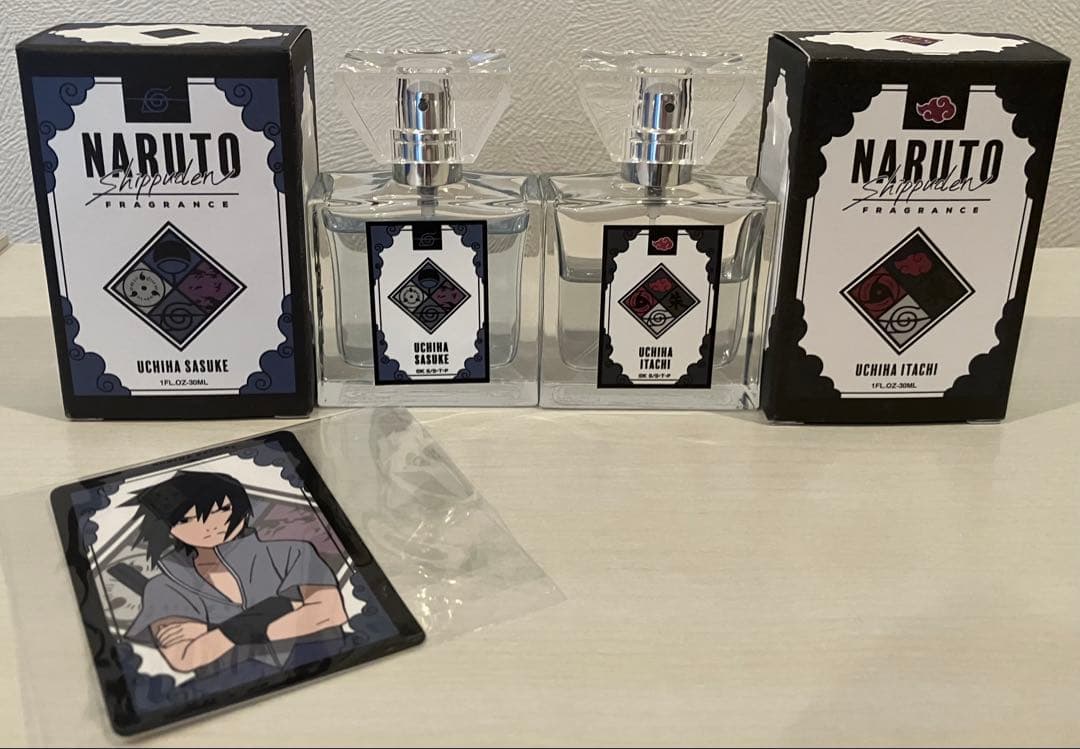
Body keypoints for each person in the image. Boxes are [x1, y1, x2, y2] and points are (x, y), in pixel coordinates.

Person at [122, 470, 348, 676]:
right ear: (168, 528)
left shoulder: (292, 552)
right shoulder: (162, 588)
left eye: (222, 510)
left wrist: (221, 631)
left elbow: (331, 612)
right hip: (232, 679)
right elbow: (186, 657)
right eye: (186, 519)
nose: (210, 525)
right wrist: (283, 608)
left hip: (324, 658)